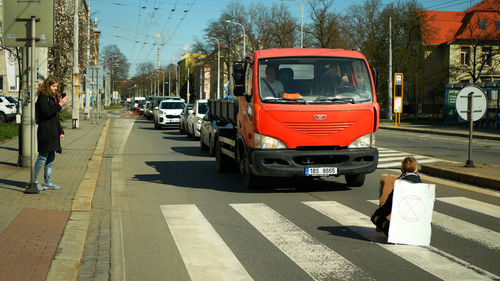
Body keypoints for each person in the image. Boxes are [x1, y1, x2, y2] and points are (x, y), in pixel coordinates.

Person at [370, 157, 422, 236]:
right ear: (416, 170)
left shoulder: (399, 185)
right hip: (417, 224)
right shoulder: (423, 186)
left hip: (401, 223)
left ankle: (387, 227)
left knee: (375, 217)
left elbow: (388, 207)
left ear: (402, 170)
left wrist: (379, 212)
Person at [34, 76, 67, 190]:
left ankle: (47, 181)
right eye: (53, 86)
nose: (55, 88)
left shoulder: (53, 97)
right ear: (48, 86)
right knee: (42, 156)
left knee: (51, 157)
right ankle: (34, 180)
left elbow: (55, 117)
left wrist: (60, 131)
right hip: (45, 131)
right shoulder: (43, 98)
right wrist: (60, 105)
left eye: (56, 86)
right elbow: (46, 113)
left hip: (53, 131)